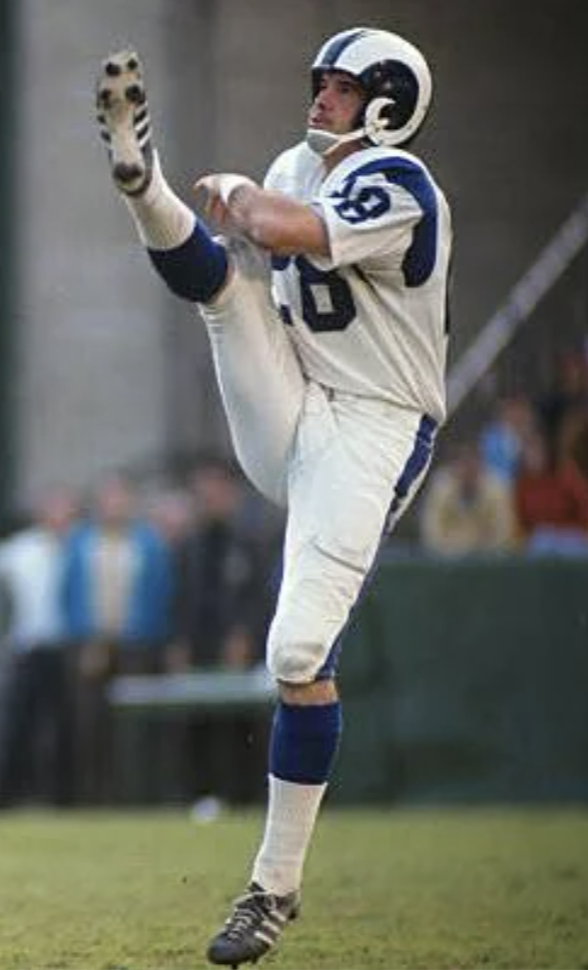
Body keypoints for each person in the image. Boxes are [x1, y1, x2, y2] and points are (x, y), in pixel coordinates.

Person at [95, 25, 452, 966]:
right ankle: (140, 180)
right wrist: (160, 195)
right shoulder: (294, 162)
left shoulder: (402, 183)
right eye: (322, 83)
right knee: (228, 297)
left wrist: (243, 197)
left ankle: (272, 888)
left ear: (384, 102)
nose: (323, 97)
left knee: (295, 651)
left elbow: (290, 229)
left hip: (376, 423)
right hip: (299, 404)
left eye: (342, 86)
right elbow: (210, 262)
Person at [63, 472, 172, 803]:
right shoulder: (80, 542)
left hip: (136, 645)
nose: (114, 504)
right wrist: (84, 640)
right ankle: (94, 796)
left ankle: (137, 794)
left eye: (120, 497)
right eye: (107, 497)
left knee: (135, 728)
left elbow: (161, 594)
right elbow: (68, 595)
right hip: (91, 645)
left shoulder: (149, 543)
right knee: (90, 724)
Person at [0, 485, 79, 808]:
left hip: (68, 650)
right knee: (18, 723)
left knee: (64, 724)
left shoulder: (80, 547)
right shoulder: (20, 550)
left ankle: (62, 796)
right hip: (28, 648)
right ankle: (10, 793)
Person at [420, 441, 516, 555]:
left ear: (481, 465)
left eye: (473, 463)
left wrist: (487, 551)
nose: (468, 469)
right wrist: (448, 551)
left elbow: (504, 529)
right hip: (449, 558)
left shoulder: (496, 486)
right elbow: (431, 530)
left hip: (487, 557)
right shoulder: (441, 486)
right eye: (463, 464)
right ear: (454, 466)